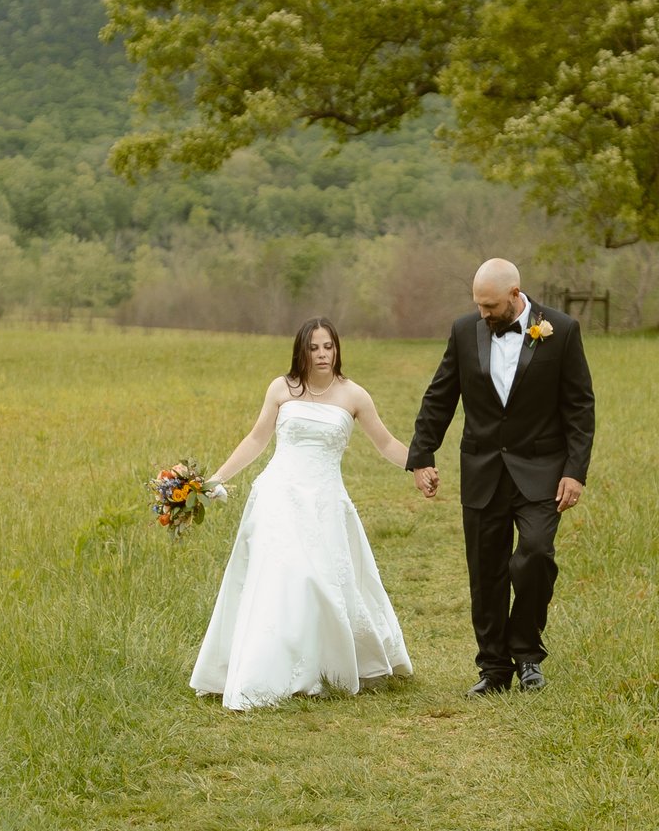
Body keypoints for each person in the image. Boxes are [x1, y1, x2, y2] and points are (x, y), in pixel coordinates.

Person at [191, 319, 415, 712]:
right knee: (282, 577)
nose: (323, 354)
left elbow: (386, 442)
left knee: (321, 580)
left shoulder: (354, 395)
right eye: (314, 348)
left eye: (328, 346)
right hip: (279, 494)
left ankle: (324, 666)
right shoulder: (283, 388)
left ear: (337, 349)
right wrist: (216, 479)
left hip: (326, 502)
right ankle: (266, 671)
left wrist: (420, 466)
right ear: (302, 351)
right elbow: (257, 438)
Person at [406, 258, 595, 695]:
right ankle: (493, 669)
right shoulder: (464, 331)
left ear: (515, 295)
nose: (483, 314)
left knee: (534, 556)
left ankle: (527, 653)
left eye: (490, 306)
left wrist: (575, 471)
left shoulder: (561, 330)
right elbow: (440, 395)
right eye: (478, 305)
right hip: (483, 470)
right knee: (486, 571)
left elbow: (580, 406)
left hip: (541, 472)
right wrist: (422, 456)